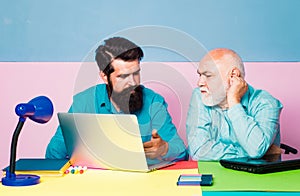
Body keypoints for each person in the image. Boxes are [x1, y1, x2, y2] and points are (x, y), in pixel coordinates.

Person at [46, 37, 187, 162]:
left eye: (136, 73)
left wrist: (164, 149)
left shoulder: (153, 102)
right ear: (104, 76)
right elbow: (53, 153)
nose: (133, 82)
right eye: (123, 77)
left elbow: (181, 151)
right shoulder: (84, 102)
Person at [186, 48, 283, 161]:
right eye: (200, 75)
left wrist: (234, 101)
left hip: (256, 177)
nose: (200, 83)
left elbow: (256, 149)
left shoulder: (266, 103)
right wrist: (253, 152)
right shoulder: (200, 95)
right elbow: (198, 151)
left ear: (234, 75)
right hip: (214, 174)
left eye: (208, 76)